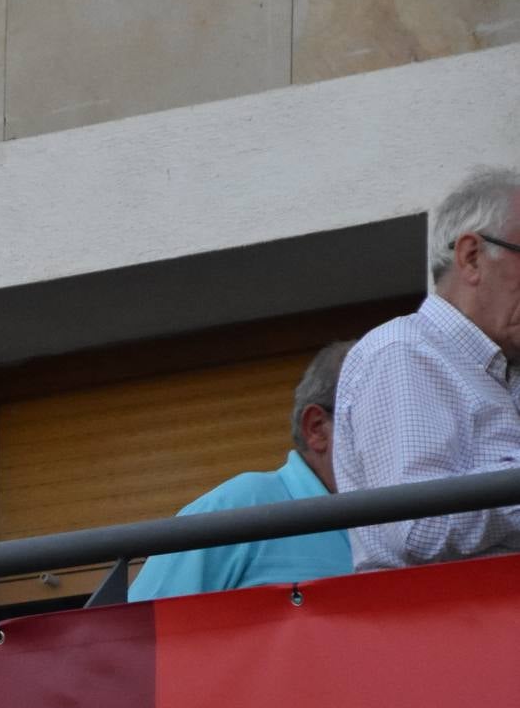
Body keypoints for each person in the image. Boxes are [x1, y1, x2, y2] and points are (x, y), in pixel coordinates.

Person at [333, 167, 520, 570]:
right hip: (449, 624)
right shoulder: (404, 351)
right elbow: (418, 527)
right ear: (472, 257)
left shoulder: (507, 369)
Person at [128, 344, 355, 601]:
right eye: (379, 420)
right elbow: (137, 635)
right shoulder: (240, 507)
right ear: (317, 429)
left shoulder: (398, 528)